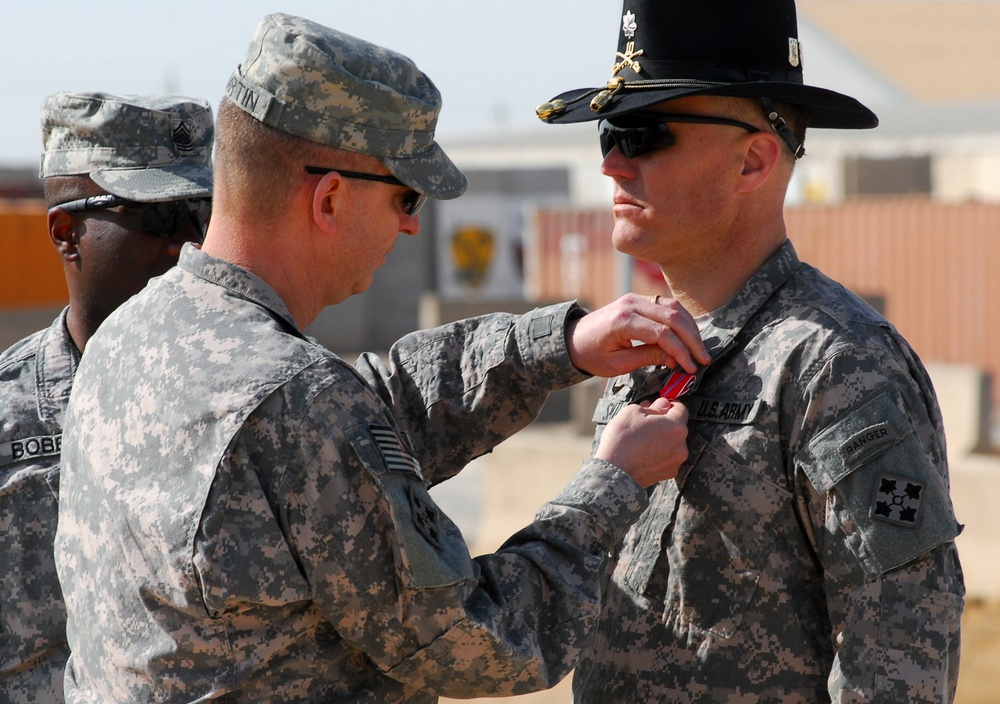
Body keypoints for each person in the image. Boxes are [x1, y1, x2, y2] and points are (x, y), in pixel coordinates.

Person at [53, 14, 712, 703]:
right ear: (330, 197)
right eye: (404, 195)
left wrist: (557, 346)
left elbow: (375, 403)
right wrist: (613, 483)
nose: (411, 223)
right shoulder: (294, 402)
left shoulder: (133, 336)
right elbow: (481, 643)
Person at [537, 0, 965, 702]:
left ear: (754, 160)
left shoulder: (835, 363)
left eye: (643, 134)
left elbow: (898, 653)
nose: (613, 164)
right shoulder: (648, 352)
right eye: (610, 132)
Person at [0, 92, 213, 703]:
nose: (186, 244)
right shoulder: (10, 418)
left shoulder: (256, 400)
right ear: (67, 232)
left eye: (199, 213)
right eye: (155, 217)